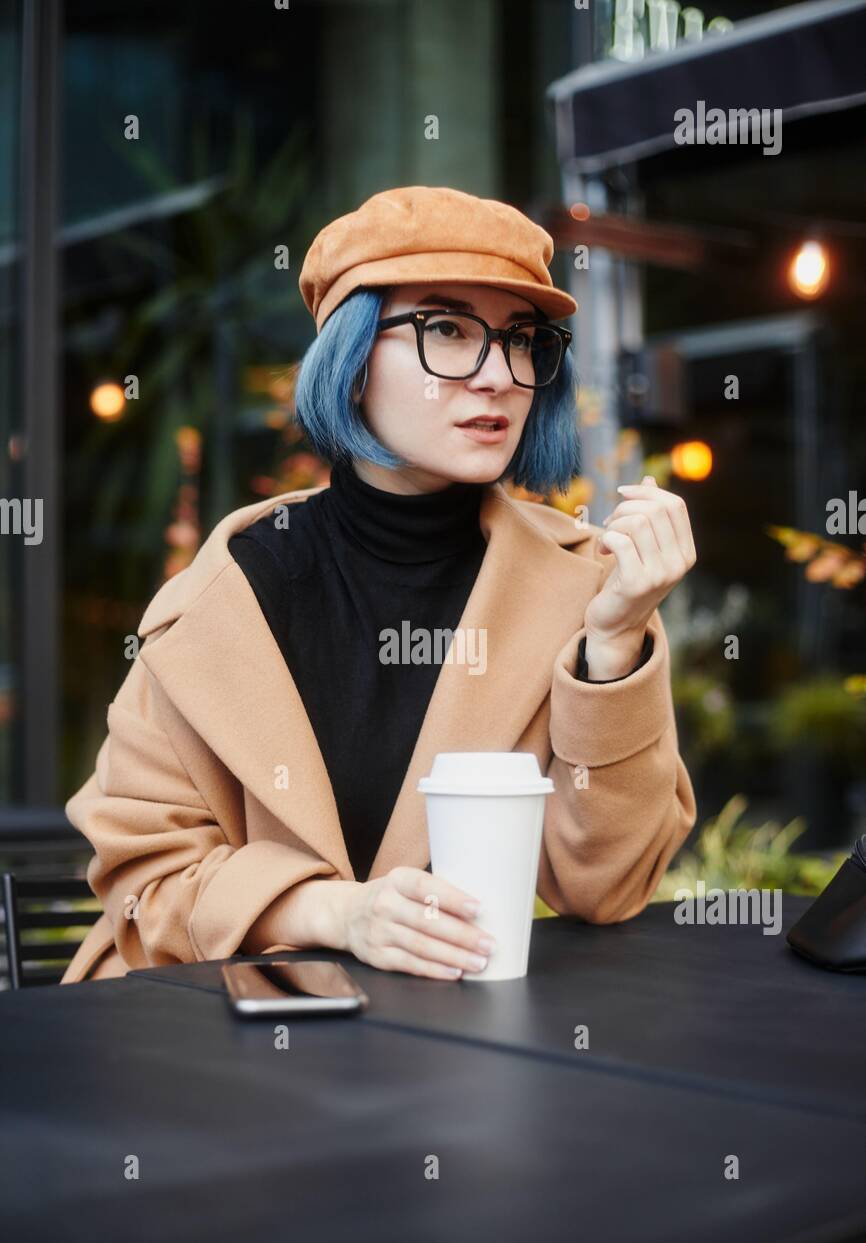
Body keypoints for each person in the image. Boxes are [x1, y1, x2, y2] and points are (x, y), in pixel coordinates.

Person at [60, 185, 697, 986]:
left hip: (454, 1054)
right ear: (352, 362)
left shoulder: (585, 590)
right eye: (447, 329)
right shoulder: (229, 595)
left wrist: (612, 646)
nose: (499, 374)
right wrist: (336, 912)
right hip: (209, 1049)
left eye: (522, 339)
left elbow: (606, 891)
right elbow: (140, 888)